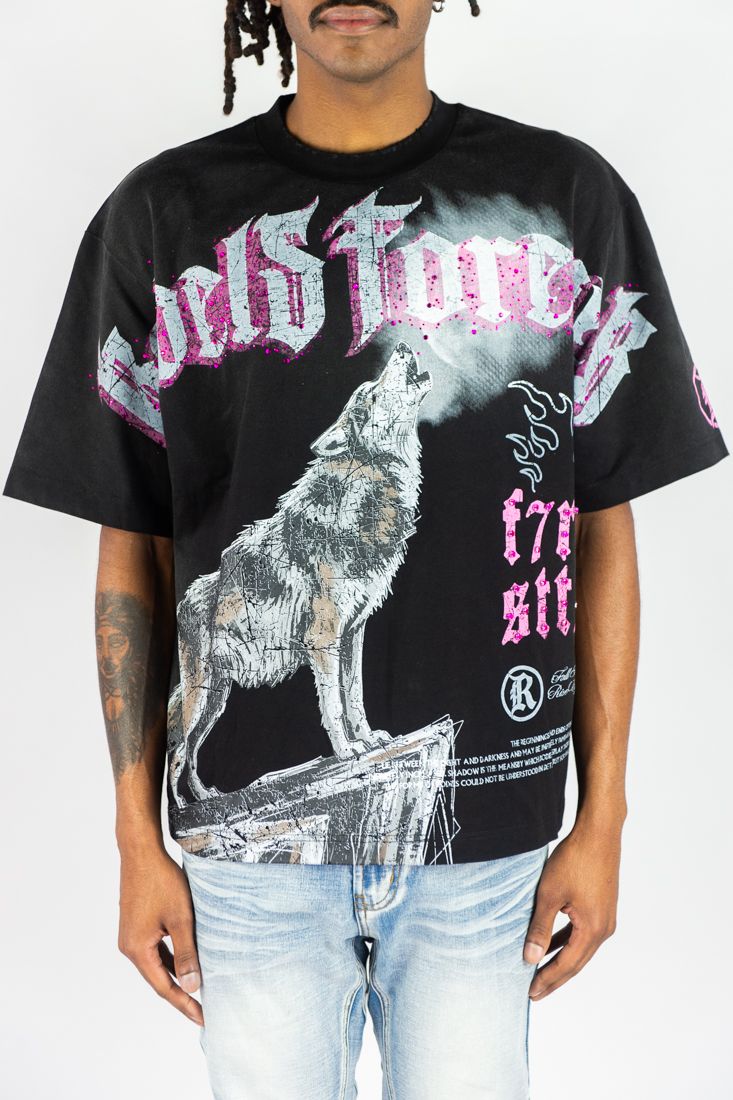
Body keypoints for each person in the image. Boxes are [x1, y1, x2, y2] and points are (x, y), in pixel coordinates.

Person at [3, 2, 729, 1097]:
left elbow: (598, 523)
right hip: (245, 867)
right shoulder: (161, 212)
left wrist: (604, 818)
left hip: (489, 838)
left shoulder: (564, 196)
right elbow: (135, 544)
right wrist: (135, 840)